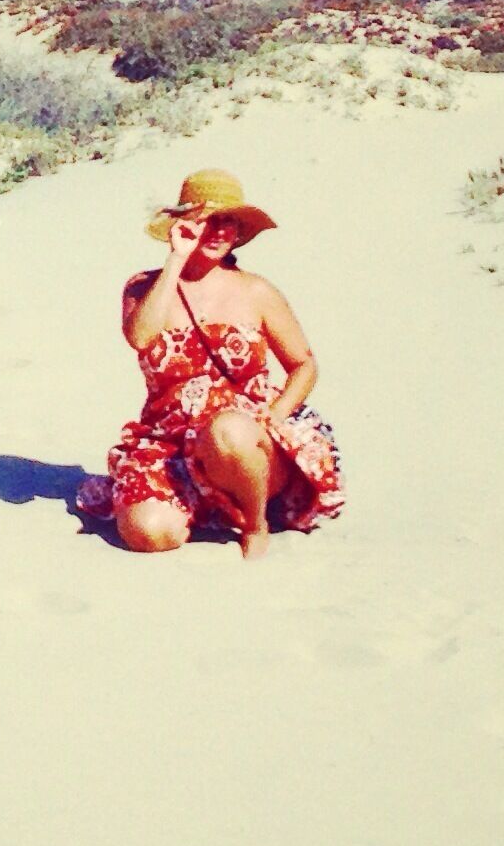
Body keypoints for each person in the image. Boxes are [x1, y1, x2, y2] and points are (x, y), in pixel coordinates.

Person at [74, 169, 343, 560]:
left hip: (246, 443)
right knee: (148, 534)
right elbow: (141, 338)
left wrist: (276, 413)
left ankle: (255, 524)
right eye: (208, 221)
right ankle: (206, 508)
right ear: (183, 225)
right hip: (170, 445)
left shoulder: (256, 291)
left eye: (229, 221)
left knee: (227, 432)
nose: (219, 231)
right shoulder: (144, 288)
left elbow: (304, 364)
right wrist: (175, 261)